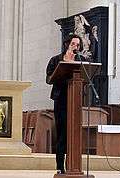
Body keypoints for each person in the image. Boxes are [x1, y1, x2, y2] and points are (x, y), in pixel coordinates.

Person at [46, 34, 84, 174]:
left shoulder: (81, 60)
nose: (76, 47)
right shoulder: (56, 60)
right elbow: (48, 78)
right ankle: (60, 167)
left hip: (76, 99)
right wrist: (57, 76)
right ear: (67, 44)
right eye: (73, 44)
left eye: (78, 45)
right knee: (62, 133)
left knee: (74, 133)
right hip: (61, 99)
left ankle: (73, 166)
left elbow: (87, 75)